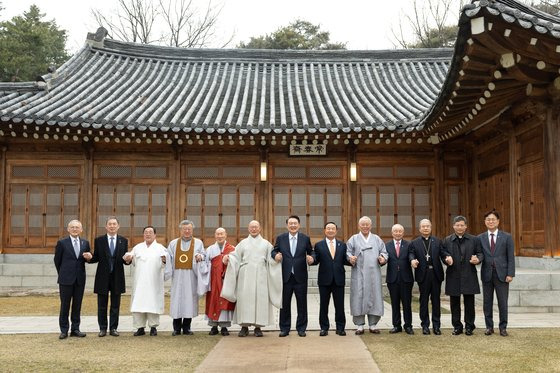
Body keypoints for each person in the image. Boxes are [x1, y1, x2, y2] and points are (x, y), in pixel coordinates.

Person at [221, 220, 282, 337]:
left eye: (256, 227)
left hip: (261, 275)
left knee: (260, 300)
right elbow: (235, 256)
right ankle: (244, 326)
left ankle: (258, 327)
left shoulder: (266, 244)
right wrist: (229, 258)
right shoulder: (243, 243)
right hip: (245, 275)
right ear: (248, 229)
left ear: (260, 229)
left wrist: (277, 258)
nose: (254, 229)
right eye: (251, 227)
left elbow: (271, 258)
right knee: (244, 299)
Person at [84, 216, 129, 337]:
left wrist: (129, 260)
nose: (112, 226)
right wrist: (89, 258)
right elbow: (96, 257)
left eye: (114, 224)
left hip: (117, 277)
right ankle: (102, 328)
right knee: (102, 305)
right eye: (110, 224)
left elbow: (125, 260)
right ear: (106, 226)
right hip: (102, 277)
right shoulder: (99, 240)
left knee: (115, 305)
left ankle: (113, 328)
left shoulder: (123, 241)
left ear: (118, 226)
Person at [272, 215, 314, 337]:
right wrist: (275, 255)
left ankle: (301, 328)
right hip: (286, 276)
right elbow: (274, 250)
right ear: (287, 225)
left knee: (302, 304)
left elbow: (311, 251)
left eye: (295, 223)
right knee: (284, 304)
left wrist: (312, 258)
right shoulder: (281, 238)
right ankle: (284, 328)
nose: (293, 225)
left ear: (299, 225)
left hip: (300, 276)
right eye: (290, 223)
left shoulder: (305, 238)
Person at [409, 219, 453, 335]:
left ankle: (436, 326)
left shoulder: (438, 241)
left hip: (435, 274)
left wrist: (447, 258)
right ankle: (425, 325)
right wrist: (412, 260)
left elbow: (443, 253)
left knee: (436, 301)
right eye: (423, 226)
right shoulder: (415, 242)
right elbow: (411, 253)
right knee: (423, 301)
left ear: (431, 227)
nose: (425, 228)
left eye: (427, 226)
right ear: (419, 228)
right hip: (423, 275)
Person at [347, 216, 388, 335]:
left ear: (371, 226)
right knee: (358, 297)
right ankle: (359, 325)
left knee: (374, 296)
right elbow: (348, 252)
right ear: (359, 226)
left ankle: (373, 324)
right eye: (363, 224)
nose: (365, 226)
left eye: (367, 224)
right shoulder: (353, 239)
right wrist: (350, 258)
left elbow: (384, 252)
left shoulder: (376, 239)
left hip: (373, 273)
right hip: (358, 273)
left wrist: (382, 258)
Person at [124, 226, 169, 336]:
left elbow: (166, 262)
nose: (148, 234)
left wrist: (164, 260)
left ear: (155, 235)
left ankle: (153, 327)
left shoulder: (160, 248)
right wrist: (128, 259)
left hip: (154, 281)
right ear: (143, 235)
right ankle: (139, 327)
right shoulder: (138, 247)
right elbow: (131, 259)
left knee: (153, 302)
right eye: (146, 232)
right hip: (139, 281)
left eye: (150, 232)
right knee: (138, 302)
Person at [165, 220, 207, 336]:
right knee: (177, 300)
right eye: (185, 229)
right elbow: (168, 256)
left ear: (192, 230)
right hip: (178, 276)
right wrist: (165, 258)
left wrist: (200, 256)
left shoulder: (198, 243)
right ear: (181, 230)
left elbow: (204, 255)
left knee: (190, 300)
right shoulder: (173, 243)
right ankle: (176, 328)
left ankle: (187, 327)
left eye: (189, 229)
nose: (187, 231)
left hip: (191, 276)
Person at [443, 216, 483, 336]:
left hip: (468, 273)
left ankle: (469, 326)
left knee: (469, 302)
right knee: (454, 302)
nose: (459, 227)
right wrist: (446, 259)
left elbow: (480, 253)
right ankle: (457, 326)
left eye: (462, 225)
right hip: (453, 274)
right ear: (453, 226)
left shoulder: (474, 239)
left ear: (466, 226)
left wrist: (478, 259)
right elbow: (443, 253)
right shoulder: (447, 240)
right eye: (457, 225)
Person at [478, 210, 515, 337]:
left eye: (493, 219)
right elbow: (480, 254)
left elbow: (511, 257)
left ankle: (503, 327)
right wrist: (477, 260)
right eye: (488, 219)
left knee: (502, 302)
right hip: (487, 274)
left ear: (498, 221)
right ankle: (489, 327)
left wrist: (510, 274)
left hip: (502, 275)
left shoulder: (507, 237)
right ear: (485, 222)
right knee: (487, 302)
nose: (491, 221)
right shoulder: (480, 238)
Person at [310, 222, 350, 336]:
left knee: (340, 305)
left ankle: (340, 327)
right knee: (323, 305)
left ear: (336, 231)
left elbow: (344, 260)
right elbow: (316, 259)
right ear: (325, 230)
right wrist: (311, 260)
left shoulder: (342, 245)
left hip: (338, 279)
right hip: (324, 279)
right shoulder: (319, 245)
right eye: (328, 228)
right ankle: (324, 328)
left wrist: (351, 261)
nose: (330, 230)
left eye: (333, 228)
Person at [54, 219, 91, 339]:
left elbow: (87, 259)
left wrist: (89, 257)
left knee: (77, 305)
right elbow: (57, 261)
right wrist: (63, 273)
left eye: (77, 227)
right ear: (68, 229)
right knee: (65, 305)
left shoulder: (85, 243)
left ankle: (75, 329)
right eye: (72, 227)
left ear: (81, 230)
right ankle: (64, 330)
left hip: (79, 279)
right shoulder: (62, 243)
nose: (75, 229)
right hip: (65, 279)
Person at [205, 227, 236, 336]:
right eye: (218, 234)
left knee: (225, 301)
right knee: (213, 300)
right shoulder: (210, 249)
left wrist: (228, 260)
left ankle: (224, 327)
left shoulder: (232, 249)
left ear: (226, 235)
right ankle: (213, 325)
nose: (220, 236)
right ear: (215, 235)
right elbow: (205, 263)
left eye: (222, 234)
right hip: (213, 280)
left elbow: (236, 263)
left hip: (226, 280)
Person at [385, 224, 414, 335]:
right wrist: (381, 260)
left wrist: (412, 261)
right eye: (395, 231)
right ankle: (396, 325)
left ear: (403, 233)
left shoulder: (408, 244)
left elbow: (411, 255)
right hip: (392, 279)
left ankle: (408, 326)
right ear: (392, 233)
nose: (398, 233)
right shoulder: (387, 245)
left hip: (406, 278)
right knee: (395, 303)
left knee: (407, 303)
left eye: (400, 231)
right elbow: (384, 258)